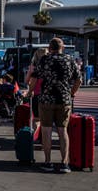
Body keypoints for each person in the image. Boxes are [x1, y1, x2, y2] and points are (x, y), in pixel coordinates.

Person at [32, 38, 81, 173]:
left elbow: (34, 77)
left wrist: (30, 91)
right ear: (62, 47)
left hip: (46, 99)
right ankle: (64, 163)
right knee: (62, 130)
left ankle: (47, 162)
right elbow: (78, 79)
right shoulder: (70, 60)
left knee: (46, 130)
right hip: (64, 99)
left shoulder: (45, 60)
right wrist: (71, 93)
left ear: (50, 47)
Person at [26, 47, 48, 133]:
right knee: (46, 119)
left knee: (36, 119)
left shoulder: (33, 67)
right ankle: (44, 138)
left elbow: (27, 81)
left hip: (36, 94)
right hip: (48, 94)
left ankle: (32, 137)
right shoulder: (50, 66)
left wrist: (30, 89)